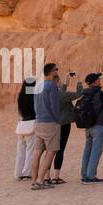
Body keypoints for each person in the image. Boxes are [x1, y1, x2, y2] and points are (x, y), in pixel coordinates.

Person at [29, 63, 63, 191]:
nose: (57, 71)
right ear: (51, 72)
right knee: (51, 152)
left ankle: (34, 180)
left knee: (37, 151)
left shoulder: (38, 85)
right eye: (56, 69)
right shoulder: (52, 86)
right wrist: (57, 120)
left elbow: (35, 104)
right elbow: (54, 105)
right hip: (50, 123)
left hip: (39, 121)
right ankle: (40, 180)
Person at [77, 72, 103, 183]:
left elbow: (102, 96)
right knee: (96, 151)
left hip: (88, 126)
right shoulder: (99, 94)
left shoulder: (86, 93)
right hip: (98, 125)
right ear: (95, 82)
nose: (99, 80)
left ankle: (84, 175)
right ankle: (91, 176)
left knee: (87, 151)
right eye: (98, 79)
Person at [50, 71, 84, 184]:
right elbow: (79, 93)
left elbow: (62, 94)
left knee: (50, 150)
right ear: (57, 81)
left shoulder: (49, 92)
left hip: (52, 124)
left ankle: (46, 176)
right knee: (60, 150)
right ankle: (56, 176)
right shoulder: (61, 94)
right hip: (63, 124)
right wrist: (78, 80)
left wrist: (65, 82)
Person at [14, 77, 37, 181]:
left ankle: (18, 173)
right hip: (31, 124)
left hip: (21, 125)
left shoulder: (21, 96)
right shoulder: (33, 96)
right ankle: (27, 173)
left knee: (20, 151)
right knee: (30, 150)